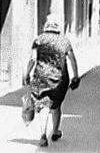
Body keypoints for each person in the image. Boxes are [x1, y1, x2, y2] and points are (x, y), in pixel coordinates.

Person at [23, 14, 80, 147]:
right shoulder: (64, 41)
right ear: (58, 27)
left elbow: (32, 59)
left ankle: (43, 134)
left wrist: (26, 73)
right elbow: (72, 58)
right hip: (59, 79)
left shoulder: (39, 40)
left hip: (41, 78)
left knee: (42, 105)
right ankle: (55, 130)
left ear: (46, 26)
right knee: (56, 105)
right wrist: (76, 76)